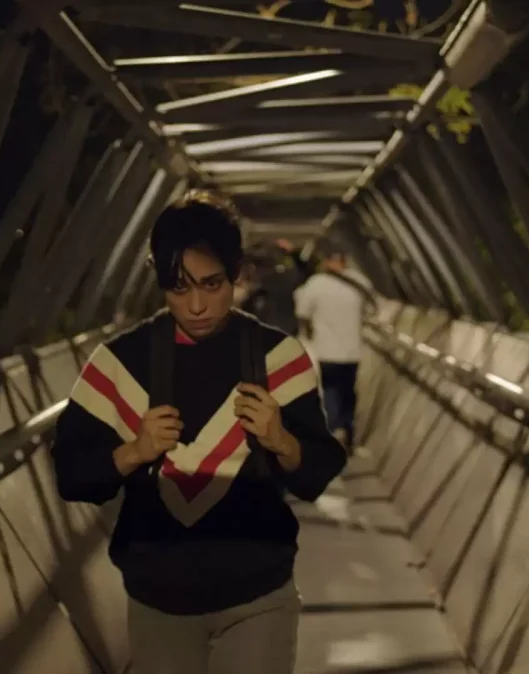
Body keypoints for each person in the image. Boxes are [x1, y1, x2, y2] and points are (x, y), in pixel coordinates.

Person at [49, 190, 347, 674]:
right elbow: (70, 473)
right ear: (159, 280)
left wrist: (281, 440)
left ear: (237, 273)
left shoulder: (278, 357)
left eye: (212, 285)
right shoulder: (120, 363)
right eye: (178, 287)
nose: (196, 306)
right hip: (157, 600)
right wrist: (134, 451)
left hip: (258, 594)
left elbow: (318, 469)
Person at [293, 242, 375, 451]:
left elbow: (302, 313)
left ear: (326, 261)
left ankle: (335, 429)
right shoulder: (361, 282)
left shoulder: (316, 284)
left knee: (330, 389)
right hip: (352, 349)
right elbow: (369, 311)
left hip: (327, 350)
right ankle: (347, 430)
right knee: (349, 390)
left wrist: (309, 334)